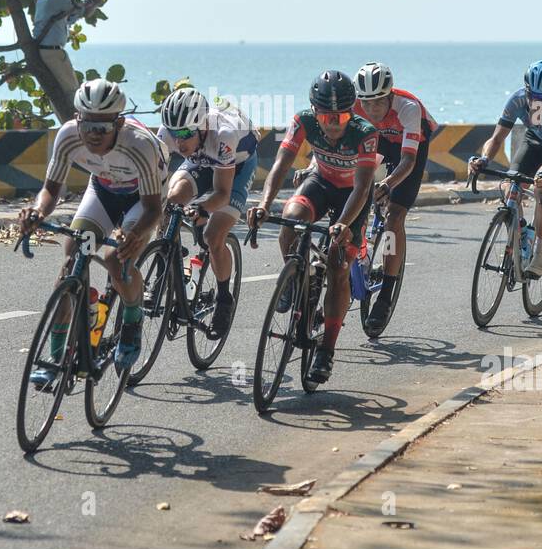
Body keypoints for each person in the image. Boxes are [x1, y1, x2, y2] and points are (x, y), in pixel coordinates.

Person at [17, 79, 168, 386]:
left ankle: (132, 318)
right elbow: (50, 190)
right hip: (103, 190)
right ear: (77, 119)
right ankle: (56, 357)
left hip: (143, 198)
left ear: (120, 123)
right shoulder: (69, 136)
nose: (93, 135)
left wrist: (134, 235)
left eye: (103, 128)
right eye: (87, 126)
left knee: (117, 259)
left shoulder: (140, 144)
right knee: (72, 256)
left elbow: (153, 210)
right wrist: (36, 212)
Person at [247, 70, 378, 385]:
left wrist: (344, 224)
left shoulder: (365, 132)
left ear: (353, 110)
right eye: (326, 116)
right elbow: (281, 163)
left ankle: (327, 350)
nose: (334, 123)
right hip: (320, 180)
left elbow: (362, 188)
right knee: (291, 220)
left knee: (337, 263)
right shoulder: (302, 120)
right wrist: (265, 204)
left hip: (353, 195)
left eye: (342, 115)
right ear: (314, 111)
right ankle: (295, 280)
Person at [156, 87, 259, 339]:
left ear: (202, 126)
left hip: (237, 166)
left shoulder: (224, 135)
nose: (178, 142)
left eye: (184, 134)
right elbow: (155, 184)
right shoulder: (169, 135)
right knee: (168, 201)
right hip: (201, 159)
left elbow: (222, 193)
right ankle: (166, 265)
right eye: (173, 134)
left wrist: (202, 209)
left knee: (214, 236)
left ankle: (224, 299)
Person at [469, 59, 542, 278]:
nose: (536, 101)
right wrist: (484, 159)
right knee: (513, 185)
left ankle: (539, 255)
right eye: (533, 96)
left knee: (541, 187)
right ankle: (521, 236)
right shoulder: (518, 99)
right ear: (526, 90)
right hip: (535, 138)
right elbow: (497, 138)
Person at [352, 62, 436, 336]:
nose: (372, 109)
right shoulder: (355, 107)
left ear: (390, 96)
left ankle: (386, 293)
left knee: (394, 216)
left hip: (409, 146)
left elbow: (408, 160)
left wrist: (388, 183)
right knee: (354, 191)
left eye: (378, 103)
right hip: (379, 141)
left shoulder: (408, 108)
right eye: (367, 103)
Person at [33, 0, 102, 112]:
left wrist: (90, 2)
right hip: (53, 53)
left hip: (45, 51)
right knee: (71, 91)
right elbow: (84, 10)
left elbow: (68, 19)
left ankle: (68, 123)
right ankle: (76, 125)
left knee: (57, 93)